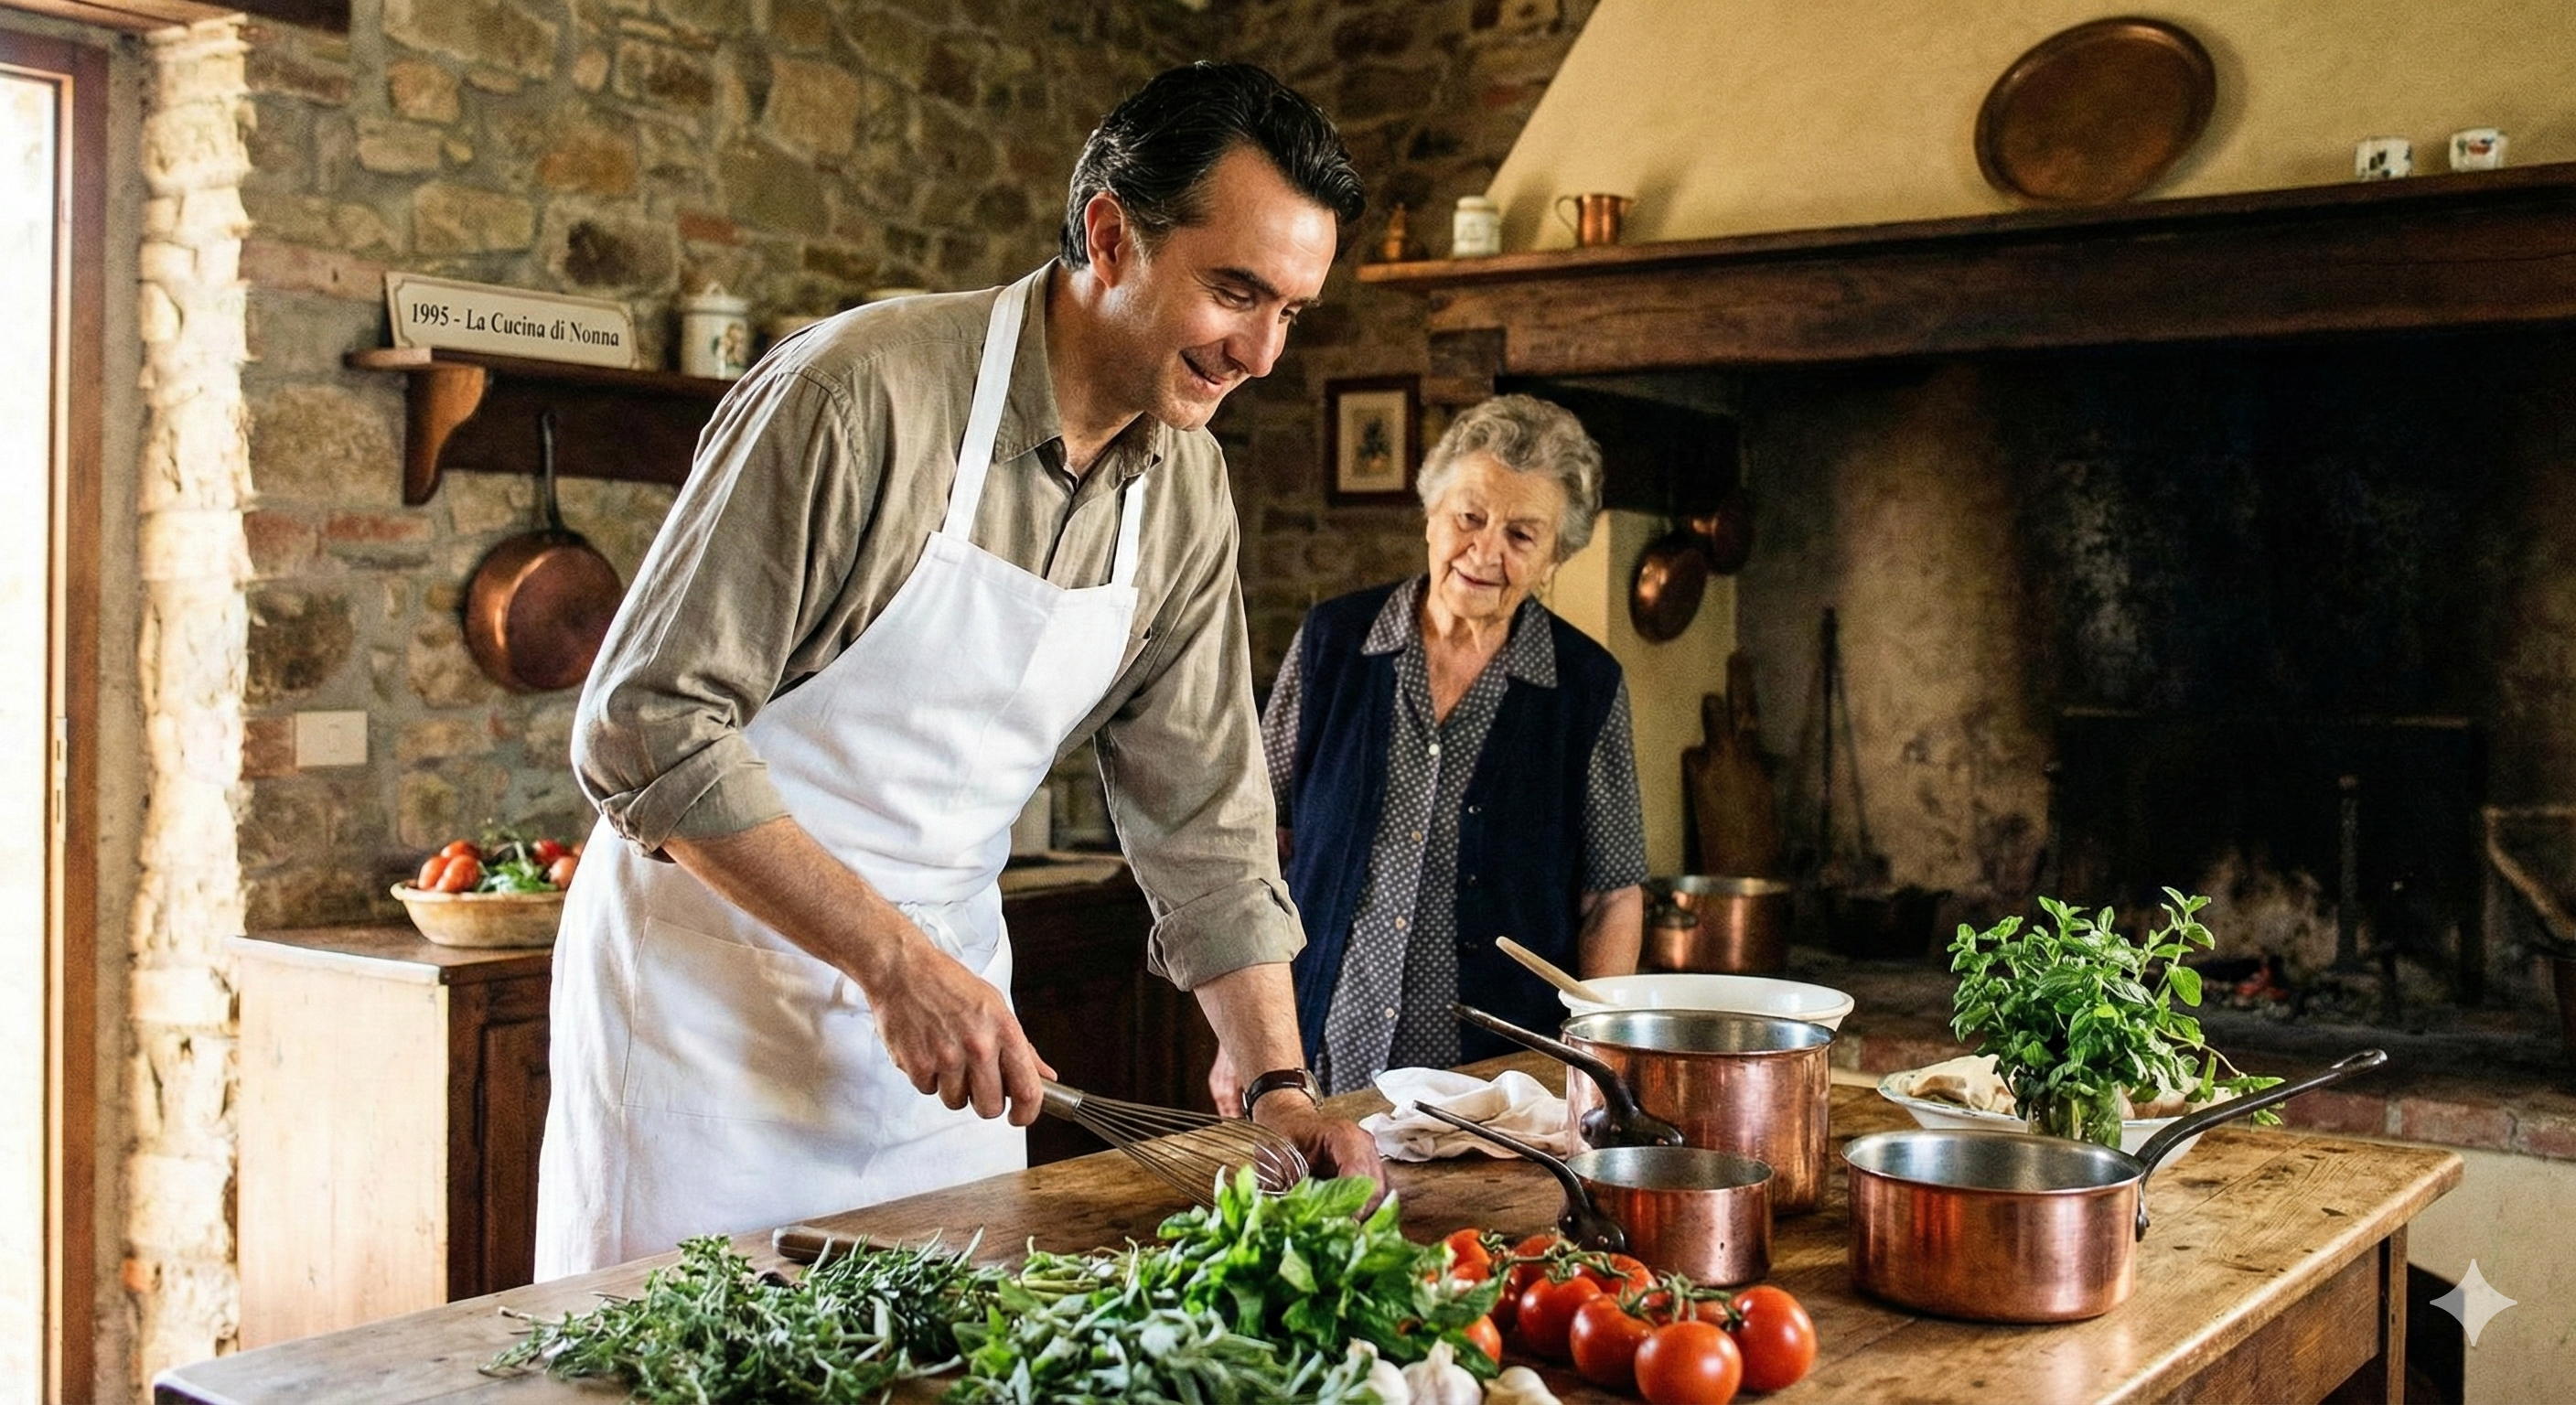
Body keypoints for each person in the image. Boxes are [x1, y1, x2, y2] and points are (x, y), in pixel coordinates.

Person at [534, 61, 1381, 1278]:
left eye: (1291, 311)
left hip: (949, 1044)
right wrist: (887, 961)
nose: (1260, 350)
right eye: (1235, 291)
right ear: (1110, 236)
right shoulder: (861, 394)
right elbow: (642, 726)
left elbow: (1205, 812)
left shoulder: (1187, 487)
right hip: (706, 1019)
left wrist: (1277, 1078)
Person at [1261, 395, 1648, 1097]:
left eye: (1523, 535)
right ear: (1431, 515)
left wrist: (1594, 1058)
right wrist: (1251, 1046)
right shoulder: (1333, 645)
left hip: (1502, 1084)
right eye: (1470, 518)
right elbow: (1255, 846)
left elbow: (1612, 898)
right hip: (1319, 1058)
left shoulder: (1585, 685)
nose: (1485, 552)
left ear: (1556, 556)